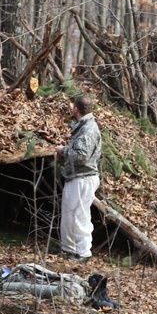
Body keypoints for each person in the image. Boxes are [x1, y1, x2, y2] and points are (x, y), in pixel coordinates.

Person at [54, 95, 102, 262]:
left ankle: (83, 253)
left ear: (76, 109)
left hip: (84, 178)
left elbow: (81, 156)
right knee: (69, 215)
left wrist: (63, 150)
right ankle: (69, 249)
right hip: (75, 177)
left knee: (80, 216)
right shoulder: (82, 127)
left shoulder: (89, 129)